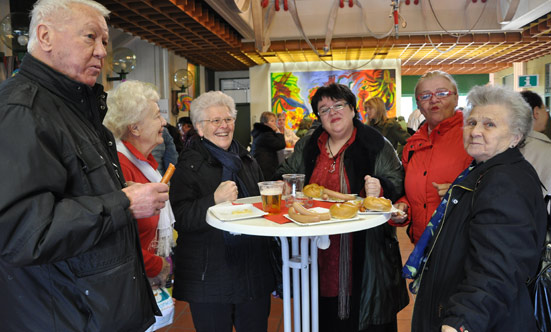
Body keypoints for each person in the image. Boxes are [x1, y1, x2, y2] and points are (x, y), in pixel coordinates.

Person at [0, 0, 169, 330]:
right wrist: (124, 202)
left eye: (104, 41)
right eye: (90, 37)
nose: (102, 52)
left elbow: (74, 195)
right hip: (63, 314)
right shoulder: (22, 110)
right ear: (45, 36)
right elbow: (23, 233)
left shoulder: (74, 107)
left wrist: (118, 193)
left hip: (93, 309)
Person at [408, 85, 547, 332]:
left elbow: (499, 268)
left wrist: (462, 322)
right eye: (471, 123)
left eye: (489, 124)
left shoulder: (505, 182)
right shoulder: (483, 171)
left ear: (515, 136)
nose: (476, 131)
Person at [274, 83, 408, 332]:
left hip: (365, 254)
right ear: (319, 118)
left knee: (363, 320)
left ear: (352, 109)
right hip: (316, 252)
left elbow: (397, 182)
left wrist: (381, 187)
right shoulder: (308, 145)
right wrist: (285, 186)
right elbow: (285, 175)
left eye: (338, 105)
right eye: (324, 109)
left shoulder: (376, 143)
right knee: (320, 316)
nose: (332, 112)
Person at [169, 91, 274, 332]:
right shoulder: (188, 165)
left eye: (228, 119)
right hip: (210, 277)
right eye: (215, 121)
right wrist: (213, 200)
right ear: (199, 128)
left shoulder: (247, 160)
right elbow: (181, 218)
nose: (223, 126)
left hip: (252, 271)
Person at [103, 80, 174, 289]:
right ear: (134, 127)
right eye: (157, 116)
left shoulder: (147, 165)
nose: (164, 122)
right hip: (129, 281)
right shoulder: (120, 168)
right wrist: (156, 265)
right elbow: (116, 241)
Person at [390, 70, 472, 244]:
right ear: (418, 105)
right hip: (422, 246)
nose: (434, 100)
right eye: (425, 96)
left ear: (456, 98)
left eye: (442, 93)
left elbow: (497, 190)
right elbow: (409, 193)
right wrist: (402, 207)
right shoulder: (412, 145)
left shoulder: (474, 137)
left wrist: (461, 194)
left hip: (462, 245)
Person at [519, 91, 551, 197]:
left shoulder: (502, 145)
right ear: (536, 112)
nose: (547, 114)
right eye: (545, 110)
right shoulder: (546, 149)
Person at [251, 111, 286, 180]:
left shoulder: (260, 132)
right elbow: (281, 144)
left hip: (261, 165)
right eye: (272, 121)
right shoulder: (266, 134)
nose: (275, 123)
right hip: (266, 167)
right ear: (266, 123)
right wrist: (277, 131)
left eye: (275, 121)